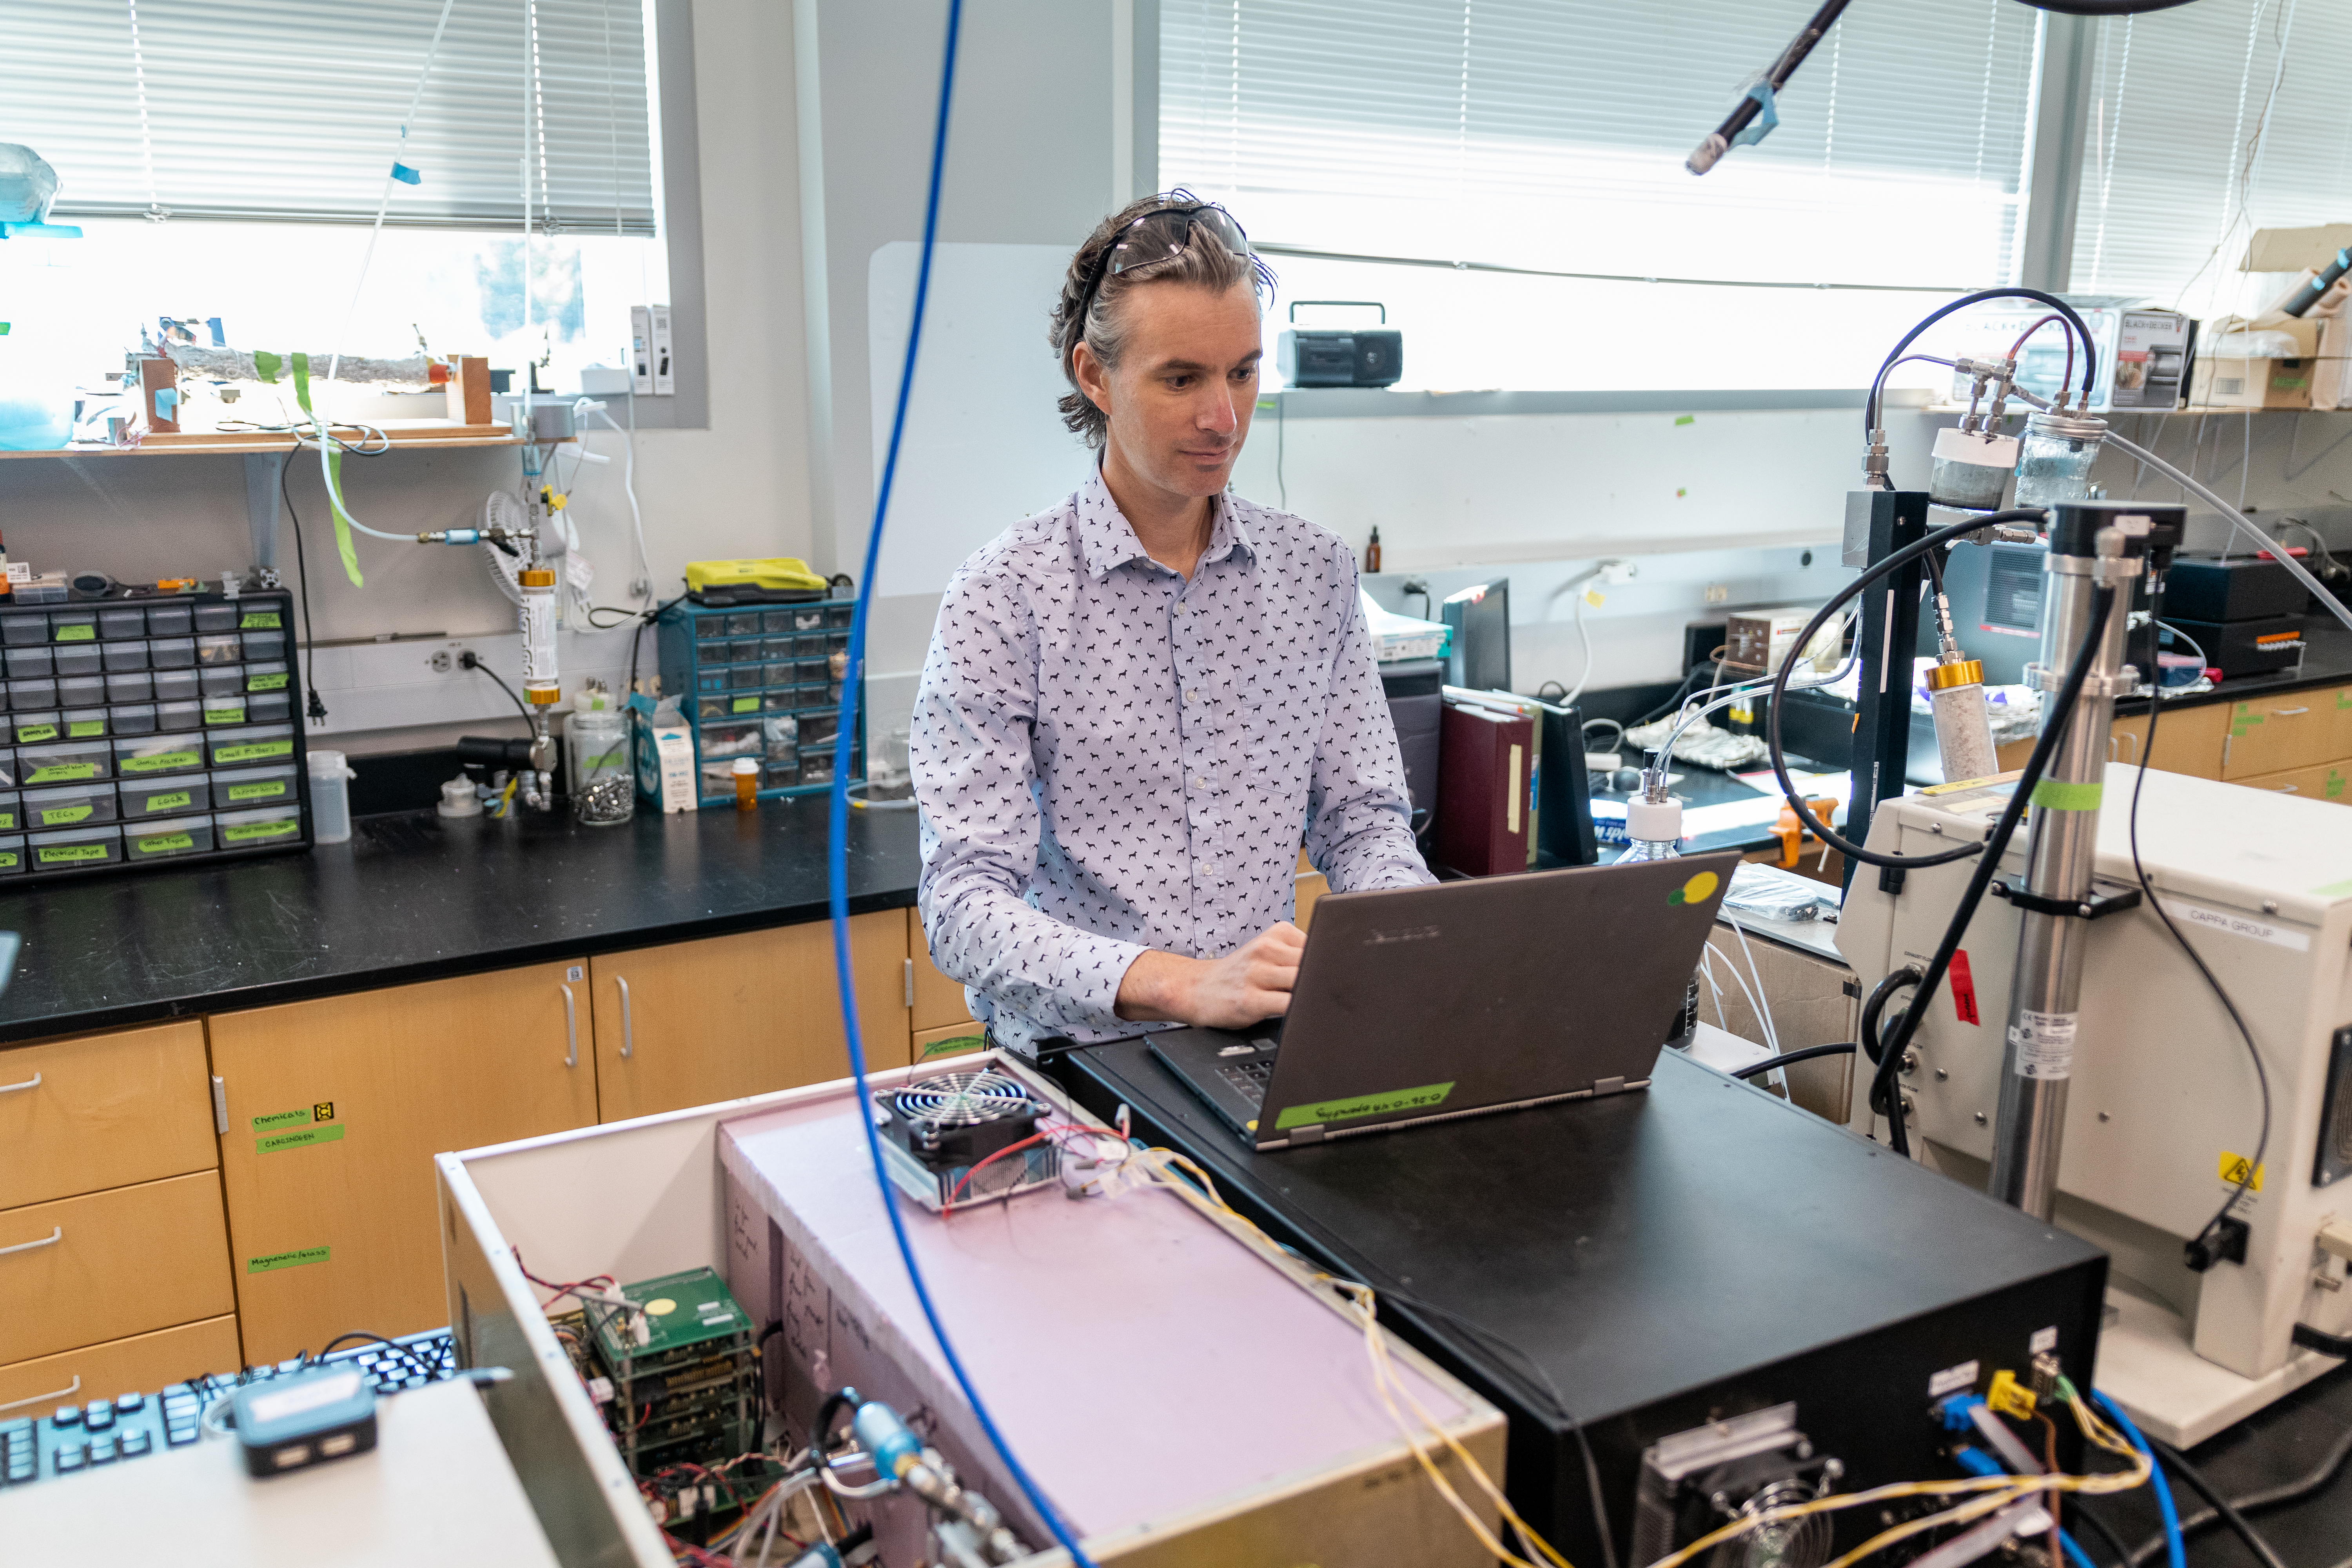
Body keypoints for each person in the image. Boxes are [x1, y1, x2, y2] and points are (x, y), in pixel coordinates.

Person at [909, 193, 1431, 1057]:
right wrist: (1179, 983)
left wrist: (1405, 936)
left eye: (1243, 371)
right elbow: (965, 905)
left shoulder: (1315, 574)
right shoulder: (1004, 597)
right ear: (1094, 375)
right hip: (1085, 1062)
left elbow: (1362, 818)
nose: (1223, 417)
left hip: (1267, 1049)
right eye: (1182, 378)